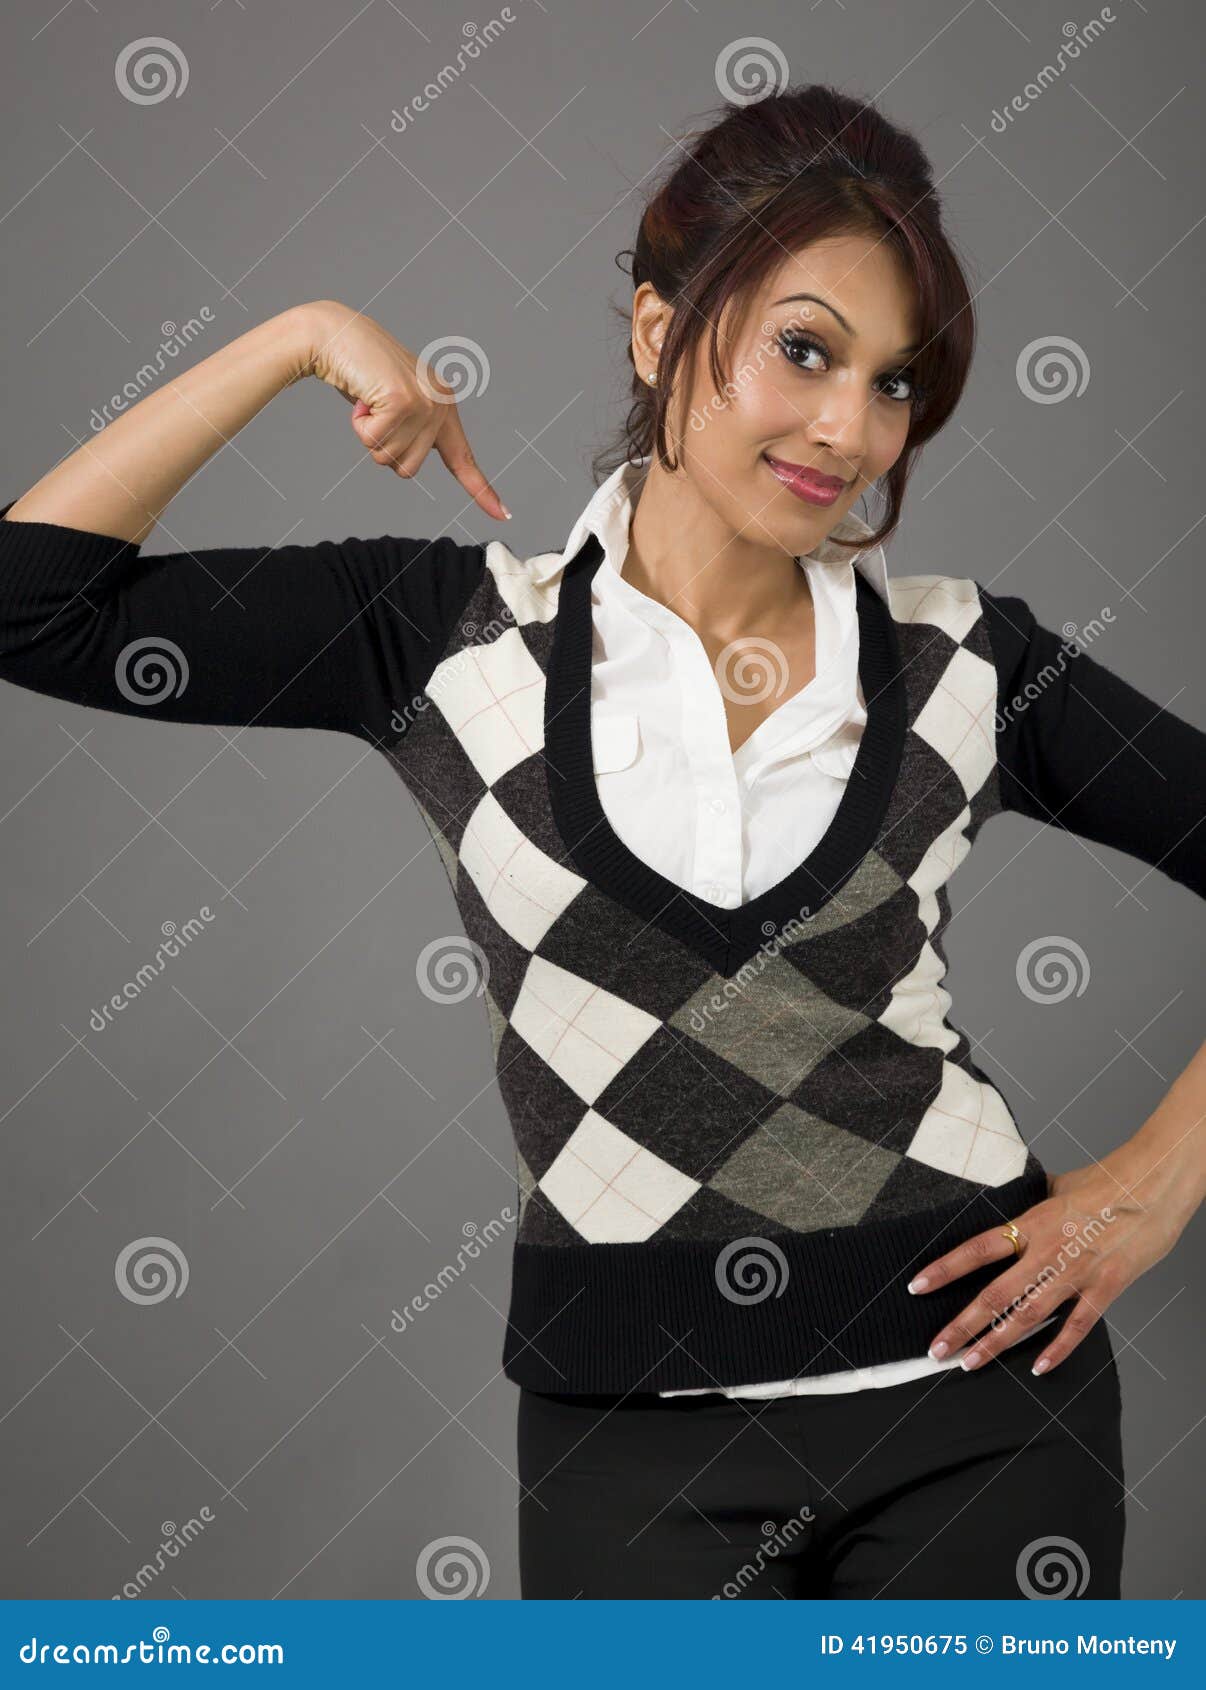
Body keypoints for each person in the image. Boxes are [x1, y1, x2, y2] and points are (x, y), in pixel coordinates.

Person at [1, 84, 1202, 1601]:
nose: (850, 426)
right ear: (655, 333)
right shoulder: (441, 641)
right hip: (630, 1451)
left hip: (982, 1416)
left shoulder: (967, 661)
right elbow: (32, 603)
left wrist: (1161, 1174)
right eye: (804, 349)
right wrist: (297, 334)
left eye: (895, 382)